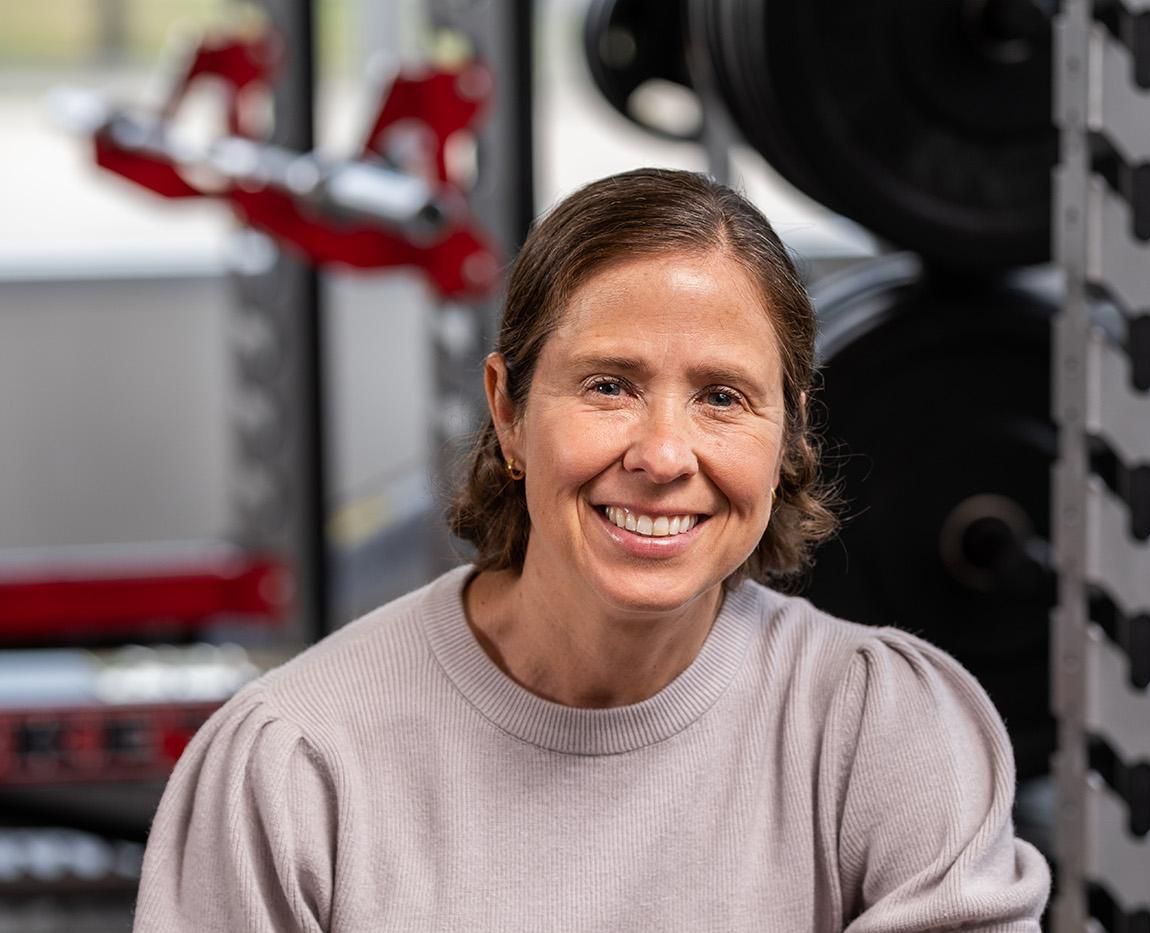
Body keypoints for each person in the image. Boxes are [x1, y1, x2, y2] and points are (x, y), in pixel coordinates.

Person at [134, 168, 1050, 931]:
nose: (662, 455)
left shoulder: (887, 731)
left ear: (790, 431)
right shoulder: (294, 765)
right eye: (609, 385)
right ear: (509, 411)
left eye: (723, 397)